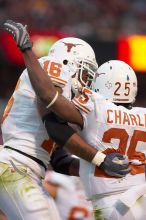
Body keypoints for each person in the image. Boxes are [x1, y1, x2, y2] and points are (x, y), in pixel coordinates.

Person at [3, 20, 131, 220]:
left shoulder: (53, 93)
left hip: (28, 169)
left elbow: (60, 161)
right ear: (68, 64)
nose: (86, 82)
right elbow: (55, 125)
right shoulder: (50, 65)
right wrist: (100, 159)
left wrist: (101, 170)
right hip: (16, 166)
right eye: (85, 72)